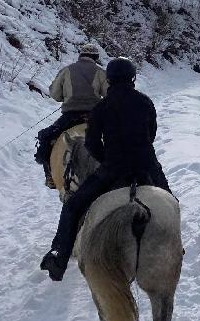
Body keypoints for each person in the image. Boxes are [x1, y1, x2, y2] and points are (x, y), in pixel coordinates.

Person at [40, 57, 171, 281]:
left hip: (113, 169)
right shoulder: (146, 102)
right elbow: (151, 134)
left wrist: (106, 159)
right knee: (169, 199)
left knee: (73, 205)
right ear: (133, 78)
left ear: (109, 80)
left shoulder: (101, 108)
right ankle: (174, 244)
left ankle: (59, 256)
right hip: (146, 164)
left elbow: (91, 144)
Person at [34, 43, 108, 187]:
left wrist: (67, 96)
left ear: (80, 56)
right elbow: (108, 94)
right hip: (94, 116)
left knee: (46, 137)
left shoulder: (66, 70)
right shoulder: (100, 72)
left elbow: (55, 94)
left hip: (70, 117)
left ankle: (50, 175)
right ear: (96, 57)